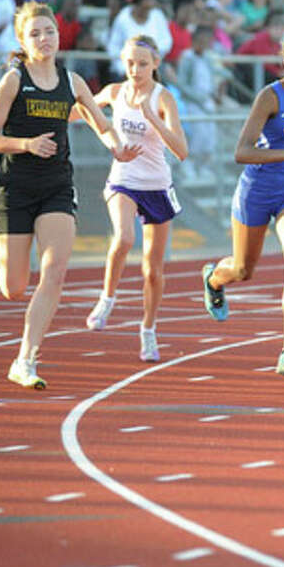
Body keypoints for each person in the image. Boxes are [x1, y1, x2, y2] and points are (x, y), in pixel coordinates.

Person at [0, 1, 138, 390]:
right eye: (34, 34)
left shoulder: (73, 82)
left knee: (54, 270)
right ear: (22, 40)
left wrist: (115, 146)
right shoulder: (14, 80)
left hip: (56, 187)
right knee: (15, 287)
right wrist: (26, 144)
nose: (44, 39)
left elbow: (99, 122)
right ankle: (1, 262)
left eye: (49, 31)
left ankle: (26, 358)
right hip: (15, 187)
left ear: (58, 35)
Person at [201, 14, 284, 377]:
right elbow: (241, 151)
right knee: (244, 269)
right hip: (257, 189)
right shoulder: (269, 97)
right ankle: (214, 278)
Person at [81, 35, 188, 362]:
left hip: (156, 185)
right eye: (129, 62)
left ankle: (148, 330)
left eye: (142, 63)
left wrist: (154, 117)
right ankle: (107, 298)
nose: (135, 69)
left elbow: (182, 151)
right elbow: (81, 108)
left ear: (155, 64)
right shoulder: (115, 92)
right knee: (124, 238)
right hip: (123, 179)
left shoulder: (163, 97)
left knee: (152, 271)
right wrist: (104, 136)